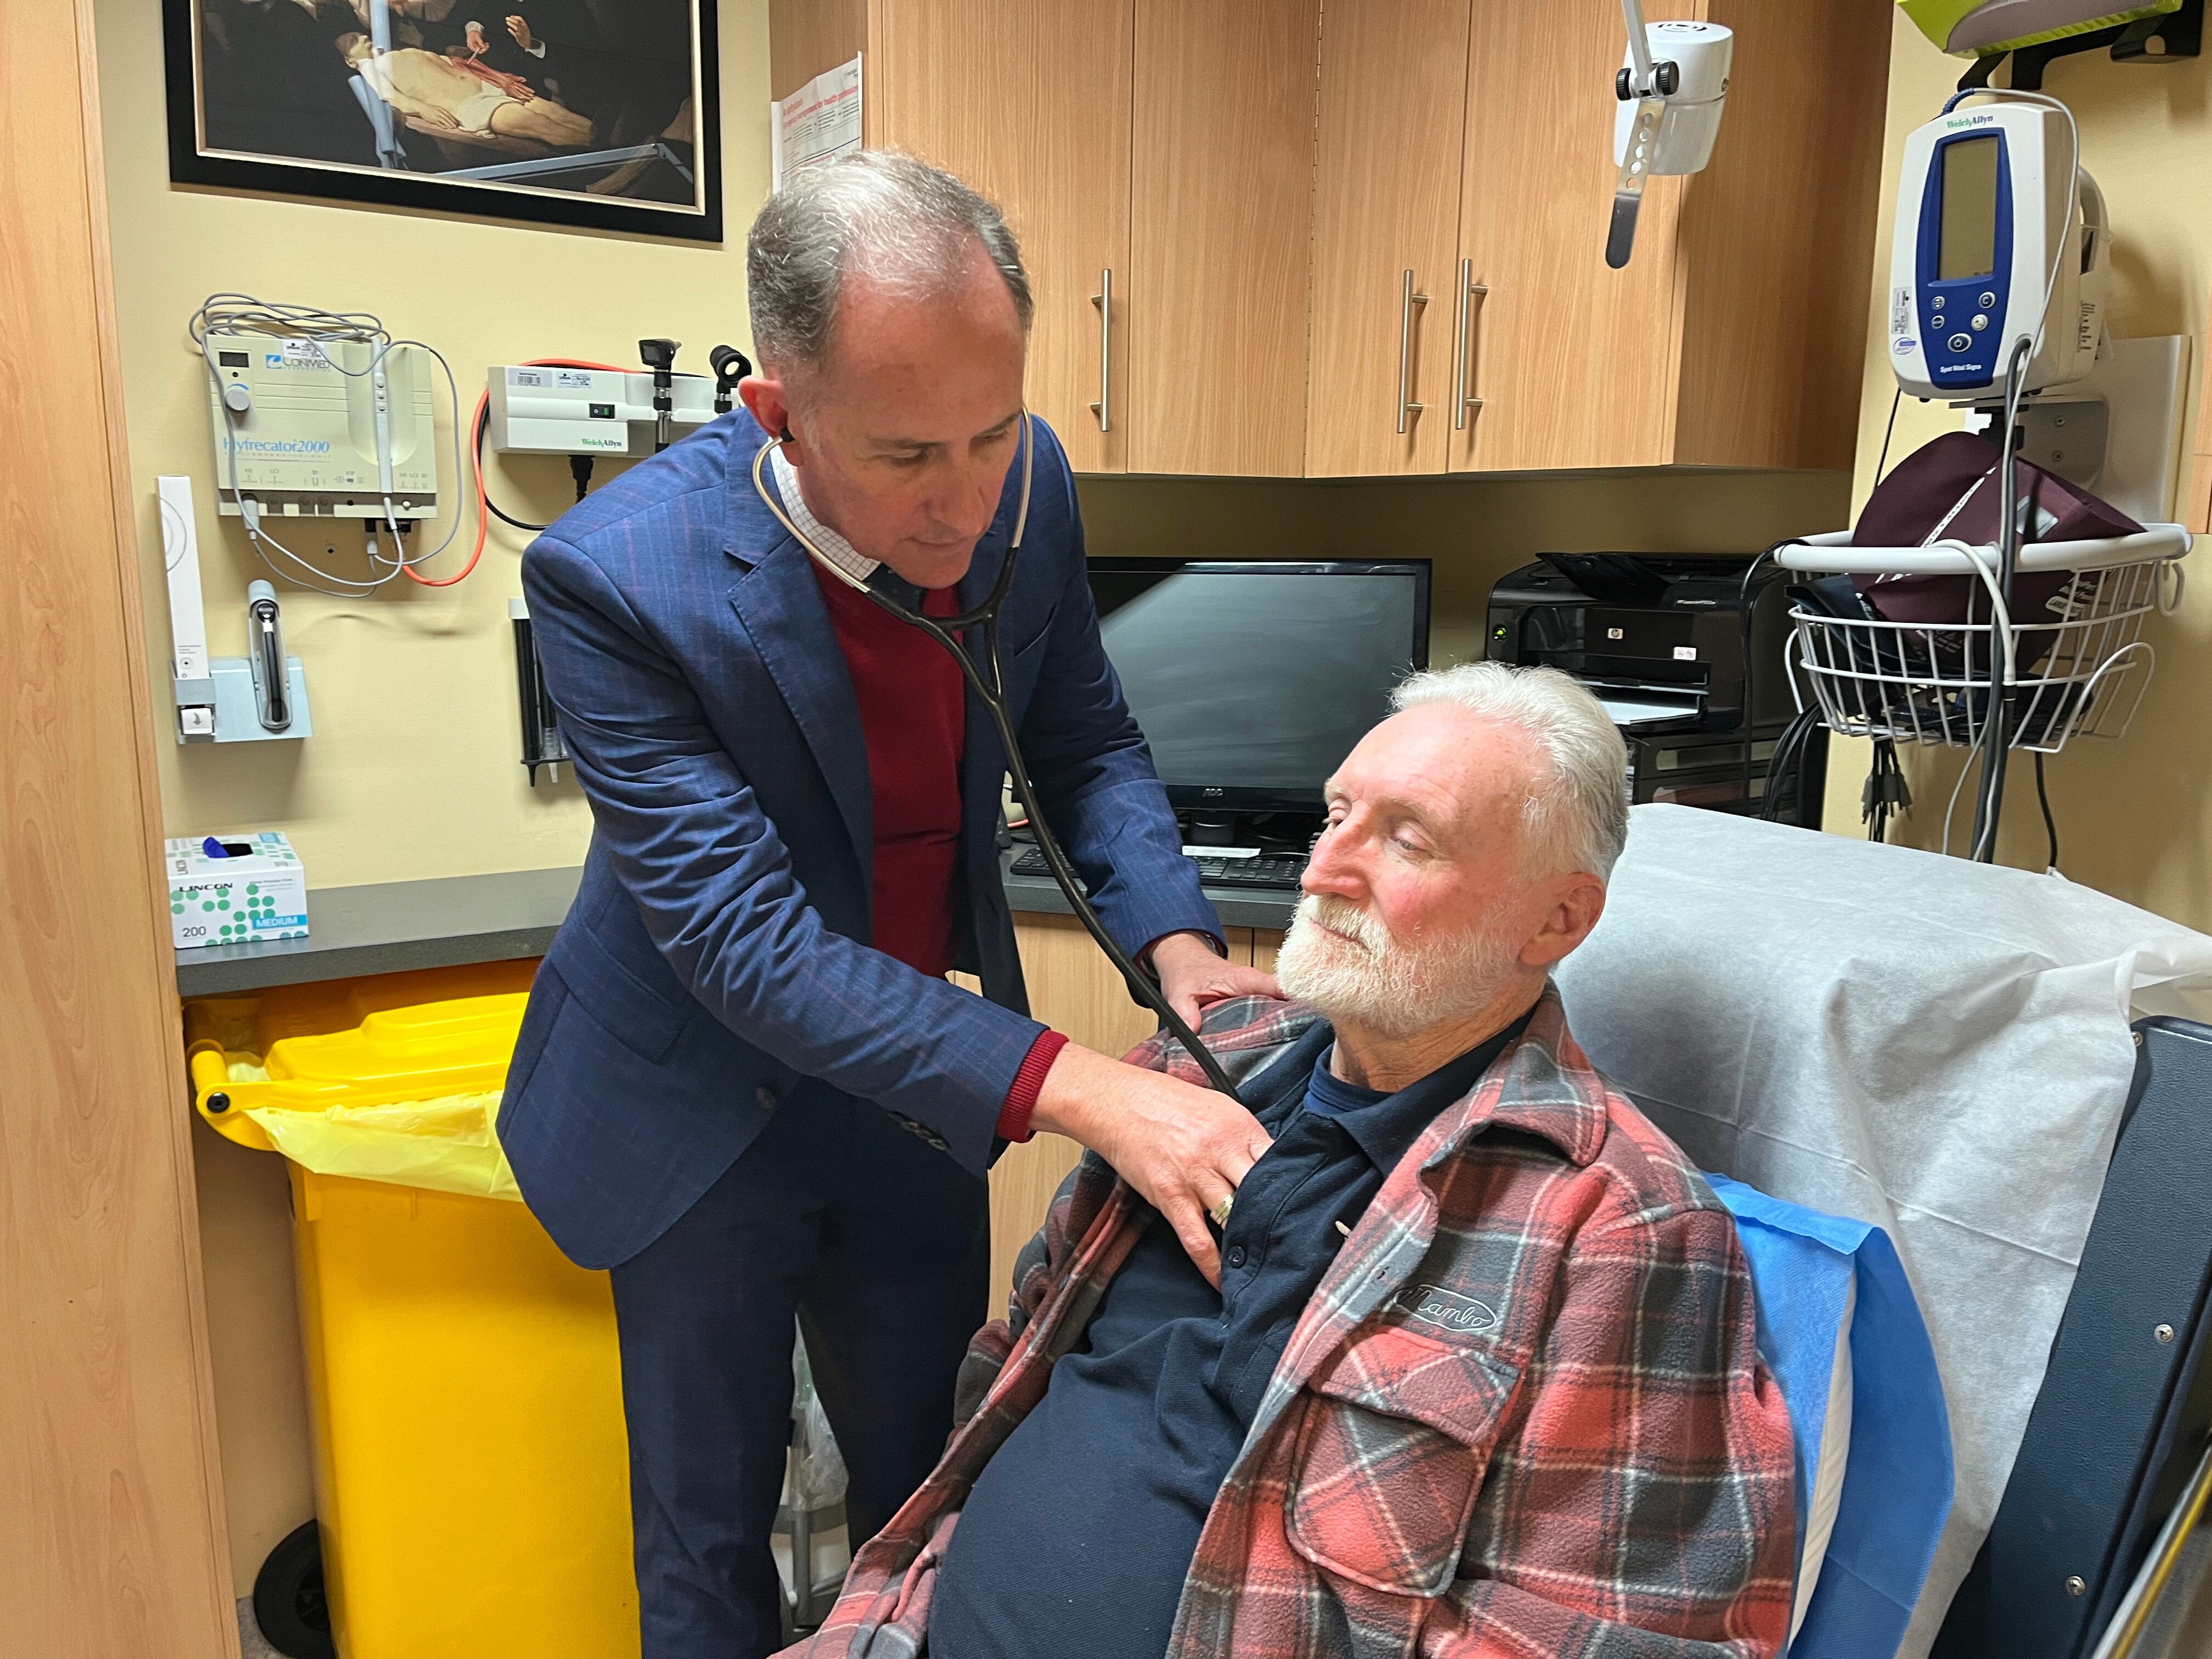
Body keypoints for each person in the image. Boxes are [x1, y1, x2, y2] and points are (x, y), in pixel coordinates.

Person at [500, 152, 1279, 1659]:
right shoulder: (614, 578)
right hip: (692, 1103)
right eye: (913, 456)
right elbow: (745, 943)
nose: (970, 500)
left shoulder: (1029, 483)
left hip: (913, 1080)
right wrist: (1088, 1091)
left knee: (932, 1490)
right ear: (776, 413)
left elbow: (1085, 739)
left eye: (993, 434)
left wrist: (1179, 947)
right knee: (706, 1543)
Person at [786, 663, 1799, 1659]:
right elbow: (1013, 1377)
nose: (1320, 871)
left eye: (1407, 838)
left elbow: (1624, 1632)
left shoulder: (1615, 1226)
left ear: (1557, 919)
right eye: (1336, 814)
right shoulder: (1193, 1071)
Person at [335, 32, 588, 146]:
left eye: (362, 35)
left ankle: (608, 148)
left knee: (557, 113)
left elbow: (454, 65)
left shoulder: (399, 53)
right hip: (474, 107)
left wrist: (496, 77)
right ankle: (612, 161)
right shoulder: (370, 68)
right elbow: (391, 97)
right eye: (353, 41)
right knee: (543, 124)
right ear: (350, 60)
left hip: (491, 88)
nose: (363, 38)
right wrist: (424, 109)